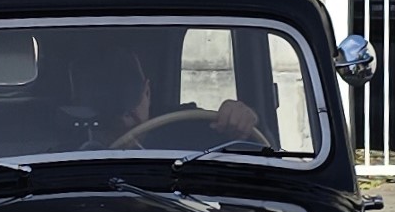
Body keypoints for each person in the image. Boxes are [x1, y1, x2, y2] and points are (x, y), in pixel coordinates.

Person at [70, 47, 262, 146]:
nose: (123, 117)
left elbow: (256, 151)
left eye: (131, 99)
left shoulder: (186, 127)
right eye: (108, 102)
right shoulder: (66, 145)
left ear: (147, 92)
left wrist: (241, 118)